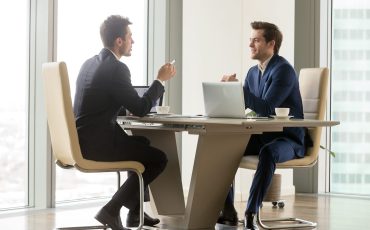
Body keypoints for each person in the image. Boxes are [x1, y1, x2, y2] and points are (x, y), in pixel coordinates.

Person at [73, 15, 176, 230]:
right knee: (159, 159)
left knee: (143, 144)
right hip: (96, 145)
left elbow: (98, 102)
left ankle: (135, 214)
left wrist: (124, 104)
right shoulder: (117, 69)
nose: (133, 41)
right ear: (119, 41)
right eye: (130, 36)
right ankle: (111, 209)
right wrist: (159, 80)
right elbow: (140, 109)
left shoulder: (89, 64)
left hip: (81, 140)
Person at [217, 21, 310, 230]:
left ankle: (251, 213)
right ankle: (228, 210)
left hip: (288, 140)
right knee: (224, 148)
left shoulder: (283, 70)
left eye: (256, 40)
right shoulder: (252, 73)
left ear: (271, 44)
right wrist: (226, 94)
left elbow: (267, 107)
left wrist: (239, 90)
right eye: (250, 40)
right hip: (262, 136)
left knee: (268, 152)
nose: (250, 44)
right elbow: (246, 108)